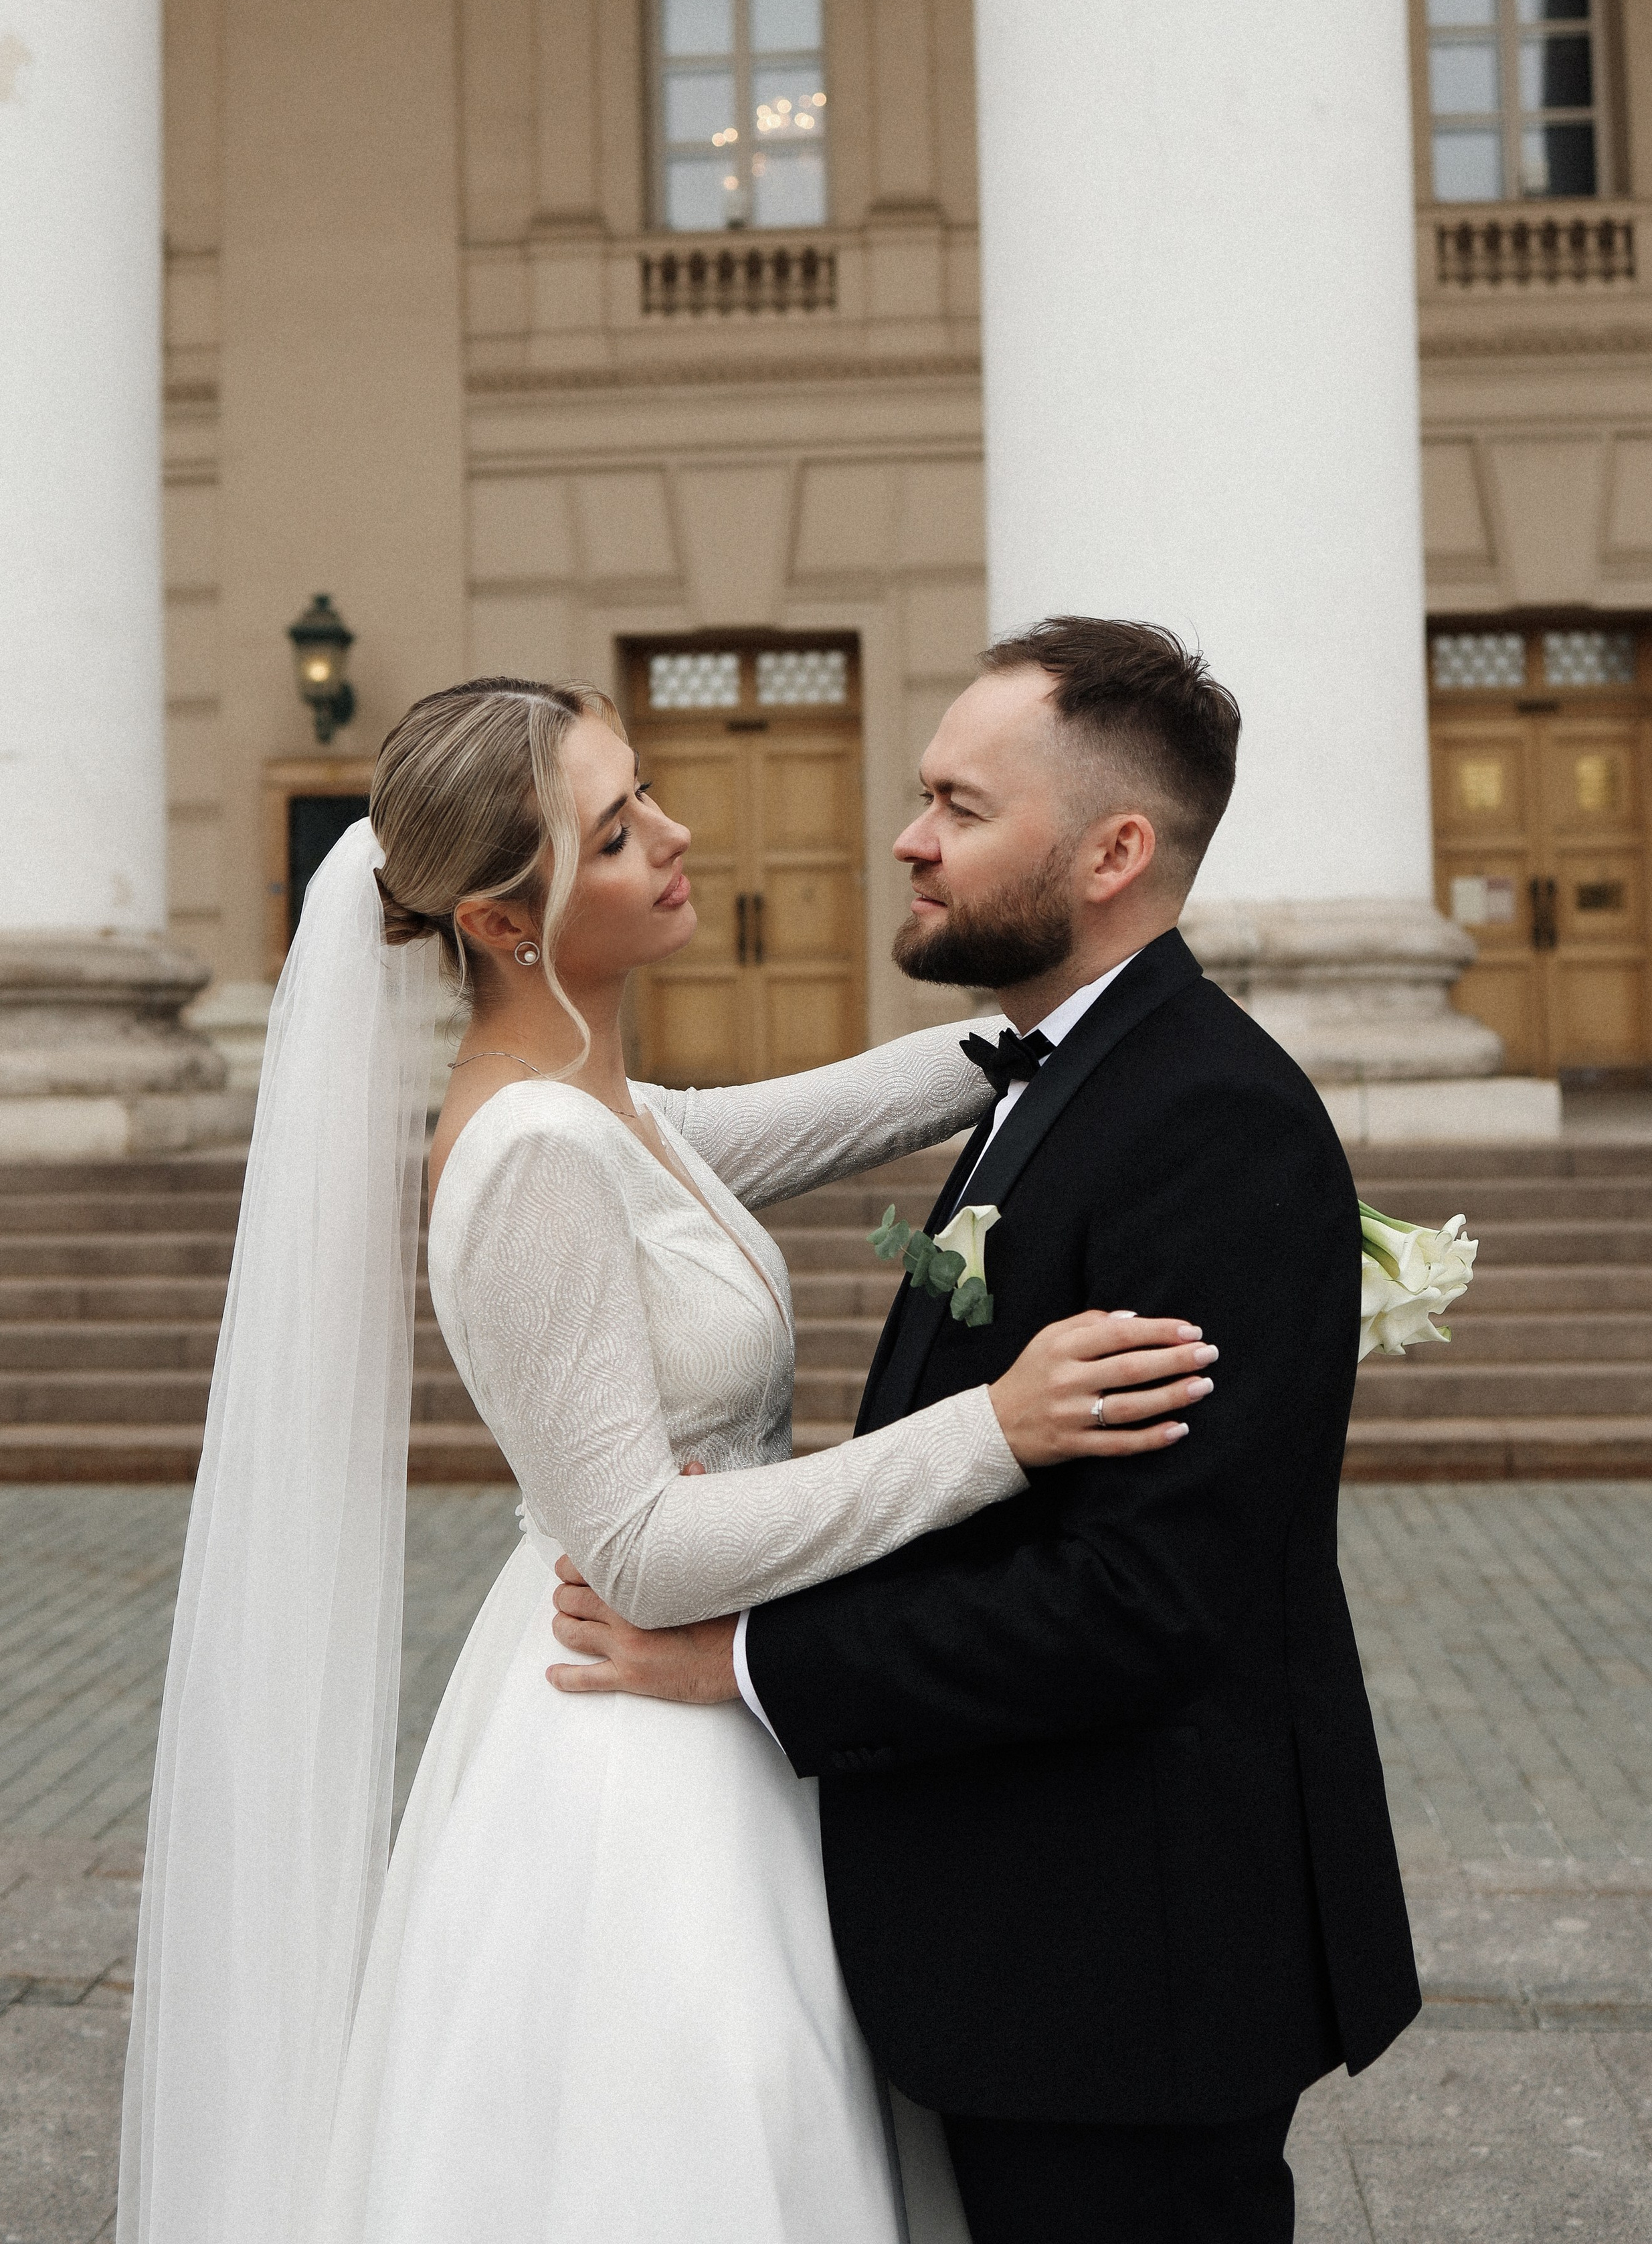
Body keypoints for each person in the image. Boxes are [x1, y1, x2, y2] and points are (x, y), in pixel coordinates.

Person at [118, 670, 1214, 2244]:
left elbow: (820, 1116)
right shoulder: (526, 1157)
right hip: (632, 1748)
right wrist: (991, 1428)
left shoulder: (606, 1108)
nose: (678, 835)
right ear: (507, 922)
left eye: (646, 797)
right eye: (621, 831)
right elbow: (630, 1550)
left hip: (734, 1710)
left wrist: (1067, 1021)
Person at [550, 620, 1423, 2244]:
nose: (906, 835)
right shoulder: (1051, 1070)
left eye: (958, 804)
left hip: (1124, 1964)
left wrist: (744, 1659)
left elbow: (1145, 1601)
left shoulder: (1205, 1121)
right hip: (1033, 1939)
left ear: (1112, 850)